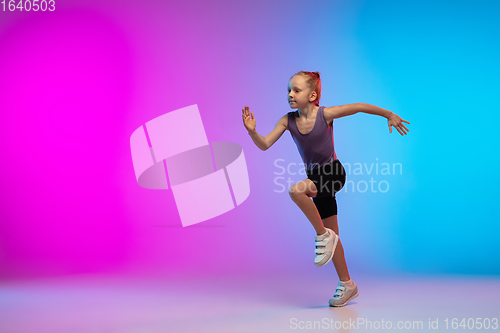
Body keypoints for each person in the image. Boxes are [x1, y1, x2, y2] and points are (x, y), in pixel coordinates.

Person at [241, 71, 410, 307]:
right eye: (289, 90)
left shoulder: (326, 115)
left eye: (296, 90)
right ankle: (347, 284)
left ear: (312, 95)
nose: (290, 94)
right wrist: (252, 132)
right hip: (317, 180)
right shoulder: (287, 121)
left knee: (295, 191)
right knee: (335, 237)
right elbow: (265, 144)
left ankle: (322, 236)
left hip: (333, 174)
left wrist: (389, 115)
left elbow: (359, 107)